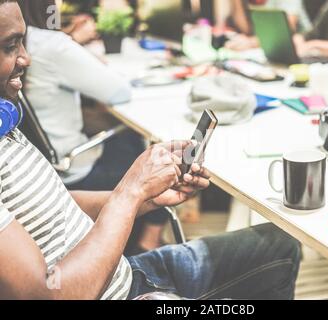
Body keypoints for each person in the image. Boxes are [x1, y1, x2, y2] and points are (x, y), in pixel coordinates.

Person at [0, 0, 301, 300]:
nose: (26, 58)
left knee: (281, 245)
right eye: (11, 45)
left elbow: (57, 206)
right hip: (120, 291)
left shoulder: (5, 123)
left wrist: (144, 197)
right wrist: (129, 194)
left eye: (22, 43)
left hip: (123, 272)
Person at [18, 0, 169, 254]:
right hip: (75, 174)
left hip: (39, 175)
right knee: (150, 148)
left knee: (106, 123)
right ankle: (147, 242)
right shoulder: (49, 44)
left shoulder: (19, 44)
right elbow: (119, 91)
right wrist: (74, 46)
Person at [214, 0, 311, 51]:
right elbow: (246, 30)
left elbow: (284, 31)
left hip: (301, 48)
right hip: (265, 50)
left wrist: (252, 43)